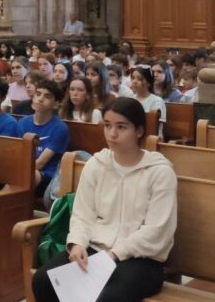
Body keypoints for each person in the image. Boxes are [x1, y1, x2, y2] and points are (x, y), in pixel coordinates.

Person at [31, 97, 179, 302]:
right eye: (107, 125)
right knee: (43, 280)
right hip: (96, 248)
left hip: (141, 259)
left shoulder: (159, 172)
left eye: (121, 127)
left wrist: (116, 254)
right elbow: (82, 213)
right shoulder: (97, 164)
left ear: (139, 131)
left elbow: (156, 230)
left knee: (107, 297)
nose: (112, 133)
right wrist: (78, 244)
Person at [17, 80, 70, 204]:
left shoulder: (60, 128)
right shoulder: (23, 122)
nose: (40, 99)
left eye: (47, 96)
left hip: (46, 176)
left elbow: (40, 163)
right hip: (24, 171)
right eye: (38, 94)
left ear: (56, 104)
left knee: (31, 174)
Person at [130, 65, 166, 137]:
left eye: (139, 79)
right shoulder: (130, 98)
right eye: (133, 78)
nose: (134, 81)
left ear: (149, 83)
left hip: (151, 137)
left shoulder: (157, 101)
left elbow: (154, 125)